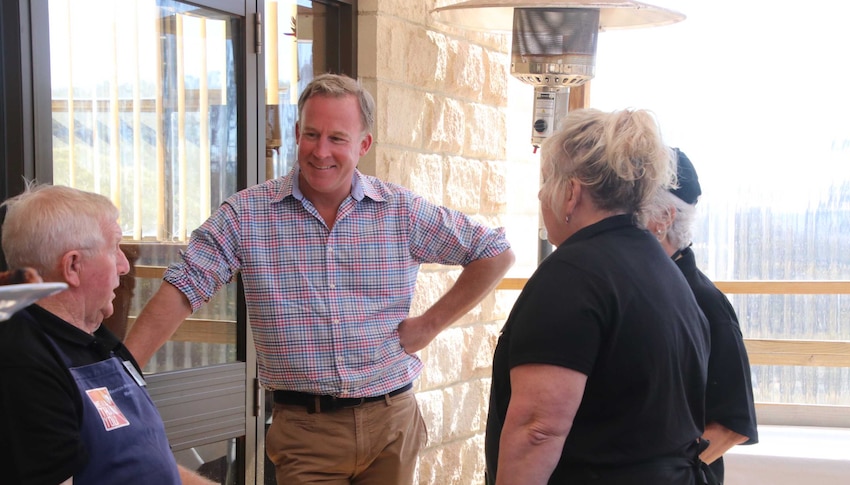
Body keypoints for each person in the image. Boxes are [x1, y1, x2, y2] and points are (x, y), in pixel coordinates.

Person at [124, 73, 515, 484]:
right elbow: (185, 285)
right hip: (305, 435)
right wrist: (122, 375)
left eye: (337, 139)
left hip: (392, 425)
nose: (321, 151)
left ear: (363, 145)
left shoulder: (400, 211)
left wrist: (428, 326)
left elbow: (494, 252)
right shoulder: (247, 215)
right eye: (311, 134)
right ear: (297, 133)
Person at [485, 108, 711, 484]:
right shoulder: (666, 271)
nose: (542, 195)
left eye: (546, 182)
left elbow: (537, 430)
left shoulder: (571, 276)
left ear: (571, 192)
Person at [0, 184, 216, 485]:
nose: (125, 266)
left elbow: (147, 460)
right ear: (73, 266)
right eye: (114, 247)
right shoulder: (27, 365)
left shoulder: (100, 340)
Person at [637, 148, 758, 482]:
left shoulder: (705, 302)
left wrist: (664, 474)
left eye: (631, 208)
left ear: (663, 218)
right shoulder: (637, 288)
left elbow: (732, 426)